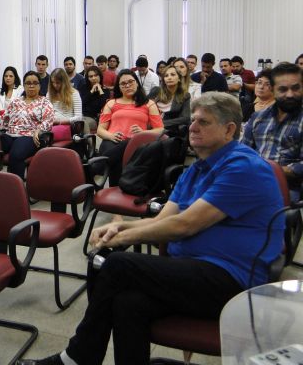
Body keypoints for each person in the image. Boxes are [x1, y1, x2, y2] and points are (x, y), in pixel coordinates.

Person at [18, 92, 285, 365]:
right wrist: (120, 228)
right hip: (191, 269)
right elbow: (163, 220)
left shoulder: (243, 166)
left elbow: (185, 225)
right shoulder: (196, 170)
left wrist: (126, 235)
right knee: (127, 303)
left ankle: (78, 356)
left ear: (229, 129)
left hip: (233, 281)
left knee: (116, 264)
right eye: (193, 120)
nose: (192, 127)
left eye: (203, 122)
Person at [242, 62, 303, 200]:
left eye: (295, 88)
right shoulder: (258, 117)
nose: (289, 94)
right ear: (273, 90)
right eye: (283, 89)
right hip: (252, 182)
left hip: (286, 188)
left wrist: (272, 170)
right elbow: (243, 151)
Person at [96, 70, 164, 186]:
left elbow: (160, 129)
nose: (127, 85)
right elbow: (100, 130)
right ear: (119, 87)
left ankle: (95, 168)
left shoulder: (149, 104)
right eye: (123, 84)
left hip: (136, 143)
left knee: (127, 144)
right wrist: (111, 136)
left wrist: (144, 132)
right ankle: (116, 190)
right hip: (112, 141)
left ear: (137, 83)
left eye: (131, 82)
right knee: (115, 153)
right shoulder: (111, 103)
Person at [0, 71, 54, 178]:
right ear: (23, 85)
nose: (31, 86)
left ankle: (15, 188)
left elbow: (48, 120)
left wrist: (39, 130)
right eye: (28, 83)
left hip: (29, 136)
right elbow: (3, 118)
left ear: (39, 85)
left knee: (15, 155)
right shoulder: (16, 101)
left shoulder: (44, 102)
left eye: (35, 83)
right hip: (10, 134)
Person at [148, 65, 191, 136]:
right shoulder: (156, 91)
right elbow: (144, 107)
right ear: (163, 80)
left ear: (179, 78)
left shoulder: (185, 95)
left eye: (173, 75)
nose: (169, 77)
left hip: (172, 131)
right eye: (166, 76)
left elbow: (186, 118)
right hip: (153, 129)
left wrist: (161, 123)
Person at [81, 65, 108, 131]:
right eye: (91, 76)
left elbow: (104, 106)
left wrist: (100, 90)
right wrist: (91, 91)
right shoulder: (83, 88)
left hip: (95, 118)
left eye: (96, 75)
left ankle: (88, 141)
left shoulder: (105, 90)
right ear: (87, 78)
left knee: (83, 123)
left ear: (100, 76)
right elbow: (81, 103)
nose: (93, 78)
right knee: (76, 122)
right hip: (82, 115)